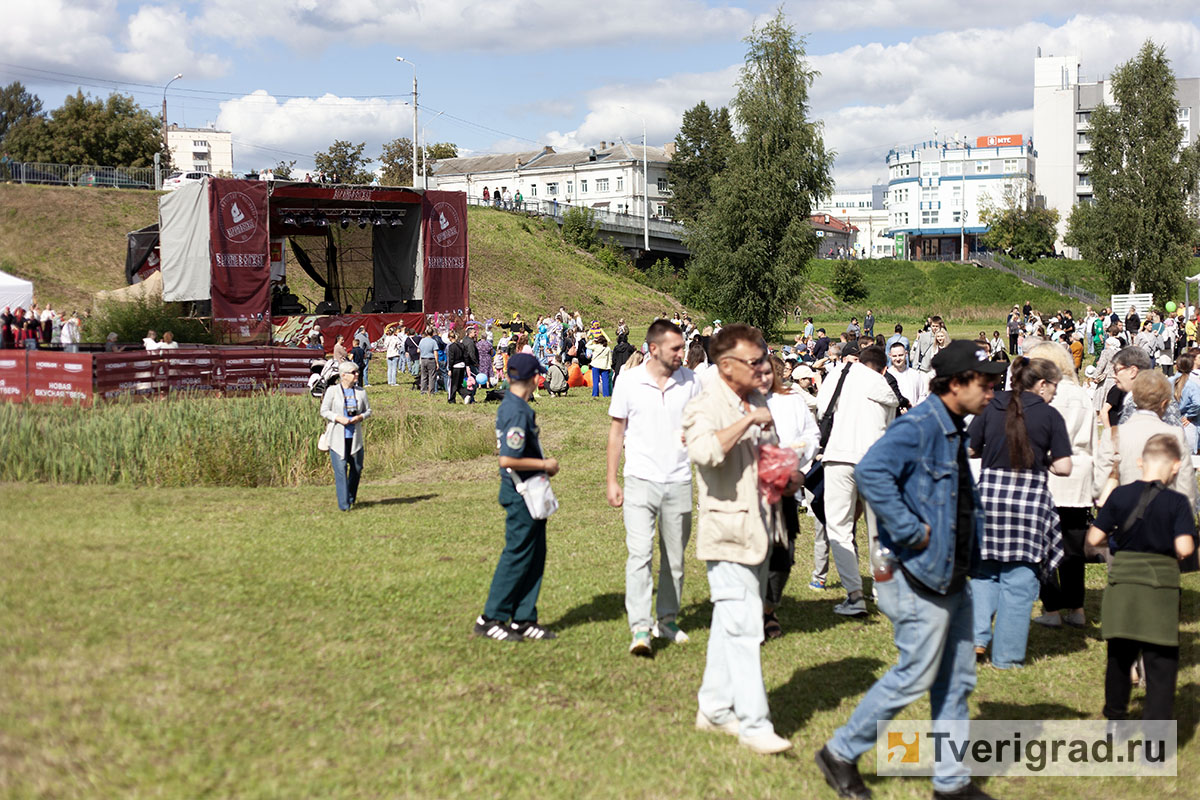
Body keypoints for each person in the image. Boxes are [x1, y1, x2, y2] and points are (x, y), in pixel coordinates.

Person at [816, 340, 1007, 800]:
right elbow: (872, 472)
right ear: (957, 384)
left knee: (956, 680)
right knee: (917, 673)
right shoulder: (921, 425)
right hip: (921, 574)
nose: (992, 390)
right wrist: (909, 529)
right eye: (985, 382)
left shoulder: (953, 427)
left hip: (953, 572)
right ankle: (840, 751)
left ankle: (951, 782)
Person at [683, 324, 800, 755]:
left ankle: (714, 708)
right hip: (728, 532)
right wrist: (749, 420)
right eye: (754, 361)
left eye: (764, 358)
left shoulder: (757, 399)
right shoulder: (705, 405)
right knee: (747, 625)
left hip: (761, 528)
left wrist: (786, 477)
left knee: (730, 623)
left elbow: (764, 457)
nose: (762, 367)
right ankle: (754, 724)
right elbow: (704, 453)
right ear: (726, 366)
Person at [968, 356, 1071, 669]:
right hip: (1028, 503)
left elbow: (970, 449)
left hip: (989, 498)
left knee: (984, 572)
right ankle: (1007, 656)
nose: (1055, 394)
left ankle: (975, 639)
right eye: (1054, 387)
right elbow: (1065, 467)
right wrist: (1047, 460)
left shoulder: (991, 407)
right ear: (1041, 384)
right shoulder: (1050, 415)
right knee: (1020, 577)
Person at [606, 320, 701, 655]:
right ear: (654, 348)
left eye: (683, 348)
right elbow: (617, 431)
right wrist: (611, 479)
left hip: (678, 480)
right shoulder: (629, 382)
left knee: (674, 558)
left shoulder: (692, 381)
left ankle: (668, 619)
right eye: (676, 348)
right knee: (640, 555)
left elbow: (701, 424)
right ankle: (641, 629)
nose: (682, 354)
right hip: (639, 480)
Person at [1087, 434, 1197, 721]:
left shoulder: (1119, 496)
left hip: (1122, 582)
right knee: (1161, 663)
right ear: (1175, 466)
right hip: (1159, 586)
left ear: (1139, 463)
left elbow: (1094, 537)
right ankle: (1155, 745)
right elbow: (1185, 548)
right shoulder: (1177, 502)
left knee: (1119, 657)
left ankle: (1115, 721)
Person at [474, 354, 559, 643]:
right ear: (535, 378)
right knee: (517, 555)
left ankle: (523, 618)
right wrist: (545, 465)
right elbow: (508, 458)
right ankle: (491, 617)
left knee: (534, 555)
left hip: (530, 492)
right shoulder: (517, 411)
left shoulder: (516, 406)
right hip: (521, 491)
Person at [816, 345, 899, 616]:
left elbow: (821, 410)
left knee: (839, 528)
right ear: (884, 368)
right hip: (876, 460)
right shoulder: (884, 386)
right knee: (879, 532)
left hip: (840, 455)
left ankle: (854, 595)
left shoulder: (840, 373)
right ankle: (883, 591)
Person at [1025, 343, 1095, 631]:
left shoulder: (1044, 396)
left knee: (1042, 546)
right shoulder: (1081, 395)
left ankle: (1052, 607)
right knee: (1073, 548)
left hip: (1051, 472)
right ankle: (1076, 607)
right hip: (1078, 476)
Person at [761, 354, 819, 638]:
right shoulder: (745, 401)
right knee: (755, 554)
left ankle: (769, 608)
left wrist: (801, 453)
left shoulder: (793, 400)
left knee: (785, 556)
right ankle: (754, 614)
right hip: (754, 491)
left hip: (786, 487)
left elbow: (811, 432)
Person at [1094, 371, 1198, 509]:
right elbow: (1186, 486)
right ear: (1165, 403)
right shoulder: (1176, 434)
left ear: (1134, 398)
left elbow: (1100, 486)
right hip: (1163, 514)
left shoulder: (1113, 435)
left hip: (1123, 513)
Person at [320, 361, 371, 511]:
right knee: (341, 470)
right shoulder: (332, 391)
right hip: (337, 437)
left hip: (355, 437)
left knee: (357, 468)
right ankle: (344, 505)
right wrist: (337, 418)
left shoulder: (361, 392)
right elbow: (324, 410)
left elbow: (368, 411)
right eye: (353, 372)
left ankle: (351, 497)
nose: (357, 375)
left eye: (357, 372)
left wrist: (359, 417)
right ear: (343, 375)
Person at [886, 341, 925, 409]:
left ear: (906, 354)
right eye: (894, 356)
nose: (898, 359)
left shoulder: (915, 374)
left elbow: (923, 395)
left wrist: (915, 407)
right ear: (890, 356)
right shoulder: (887, 376)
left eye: (900, 355)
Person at [590, 334, 613, 398]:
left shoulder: (596, 346)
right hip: (604, 366)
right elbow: (609, 359)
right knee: (605, 381)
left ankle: (595, 394)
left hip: (595, 365)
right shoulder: (607, 348)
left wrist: (592, 340)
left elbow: (587, 345)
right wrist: (609, 367)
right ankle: (606, 394)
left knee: (595, 381)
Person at [418, 327, 438, 394]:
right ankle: (431, 391)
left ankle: (423, 390)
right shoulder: (433, 342)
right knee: (431, 376)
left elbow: (418, 350)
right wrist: (437, 362)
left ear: (426, 333)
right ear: (432, 333)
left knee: (423, 376)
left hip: (423, 359)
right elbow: (435, 352)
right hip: (431, 359)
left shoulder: (422, 341)